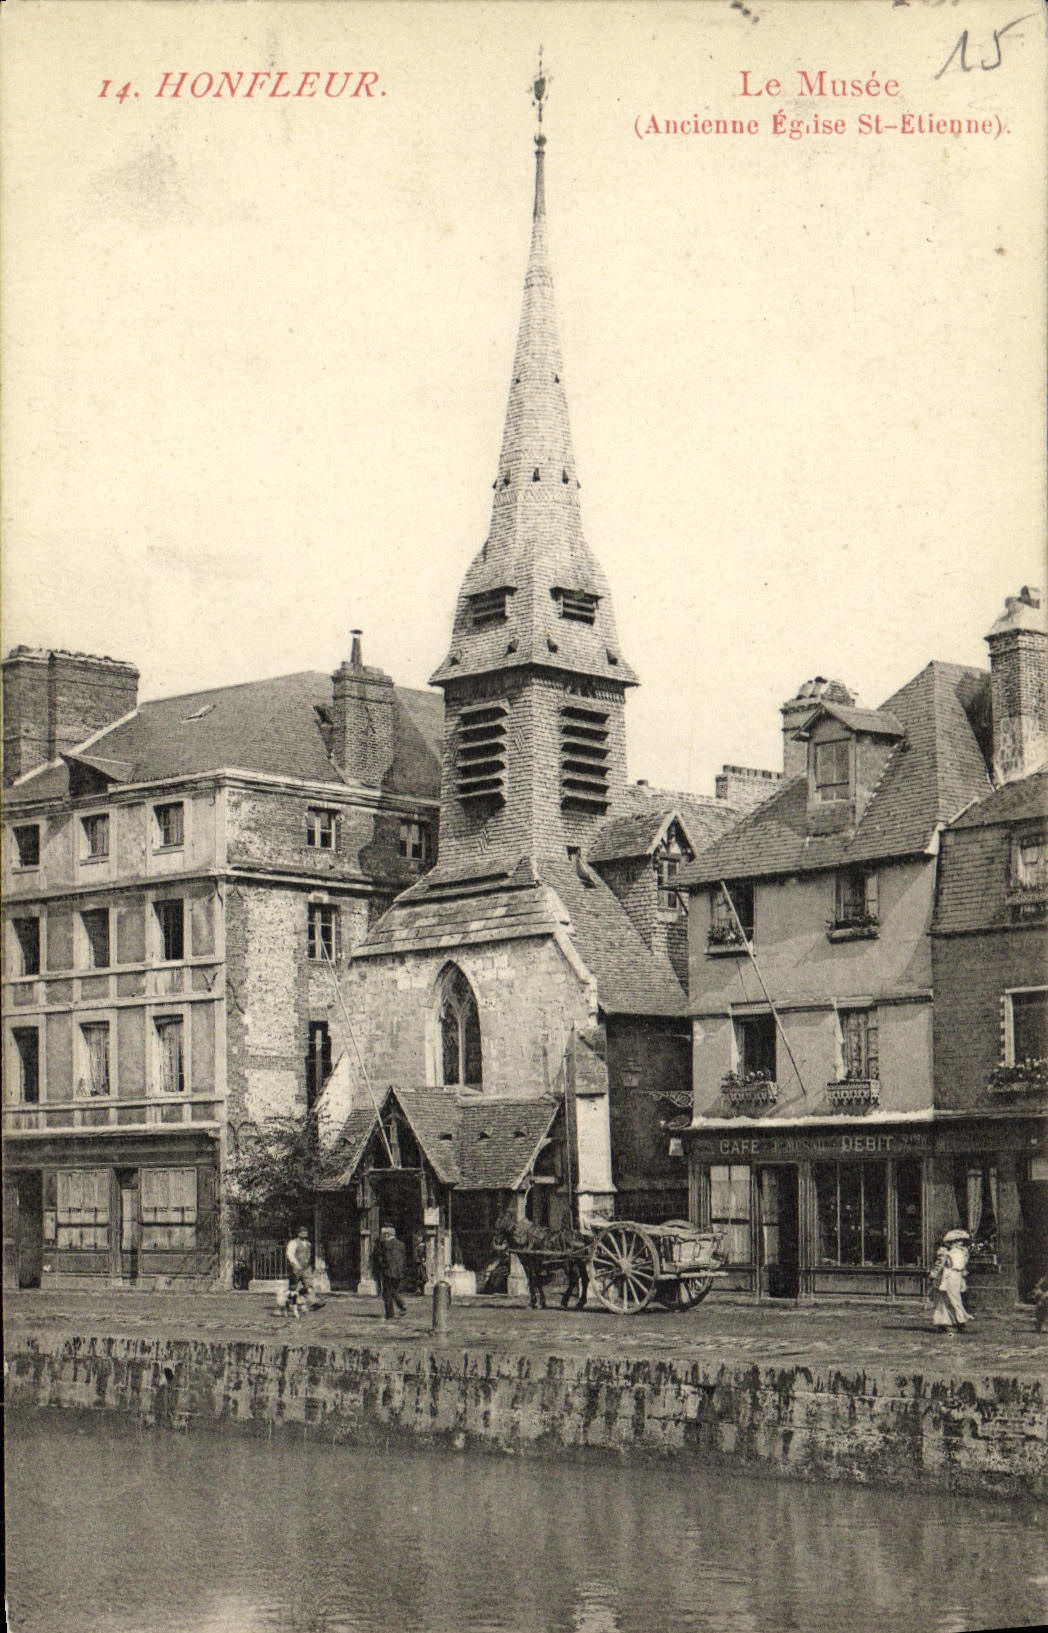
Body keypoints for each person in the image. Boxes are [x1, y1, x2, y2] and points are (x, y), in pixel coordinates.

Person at [929, 1228, 973, 1331]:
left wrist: (963, 1273)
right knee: (950, 1298)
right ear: (952, 1242)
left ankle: (948, 1322)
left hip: (958, 1277)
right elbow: (939, 1265)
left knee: (951, 1298)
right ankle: (958, 1321)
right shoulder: (946, 1253)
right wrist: (933, 1274)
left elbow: (963, 1266)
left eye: (961, 1241)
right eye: (958, 1241)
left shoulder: (963, 1253)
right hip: (949, 1277)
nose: (960, 1243)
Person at [374, 1224, 407, 1319]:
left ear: (387, 1234)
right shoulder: (401, 1244)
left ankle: (390, 1314)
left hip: (388, 1272)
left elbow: (386, 1259)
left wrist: (381, 1267)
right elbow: (404, 1259)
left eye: (383, 1234)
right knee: (394, 1290)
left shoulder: (386, 1245)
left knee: (387, 1293)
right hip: (399, 1272)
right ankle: (402, 1305)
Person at [286, 1224, 312, 1318]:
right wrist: (295, 1264)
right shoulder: (293, 1243)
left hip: (306, 1268)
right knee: (293, 1287)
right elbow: (290, 1254)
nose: (304, 1233)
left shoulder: (308, 1244)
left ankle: (304, 1304)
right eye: (302, 1232)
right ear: (298, 1233)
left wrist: (307, 1264)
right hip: (296, 1267)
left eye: (306, 1232)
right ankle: (289, 1303)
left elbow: (308, 1255)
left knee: (308, 1286)